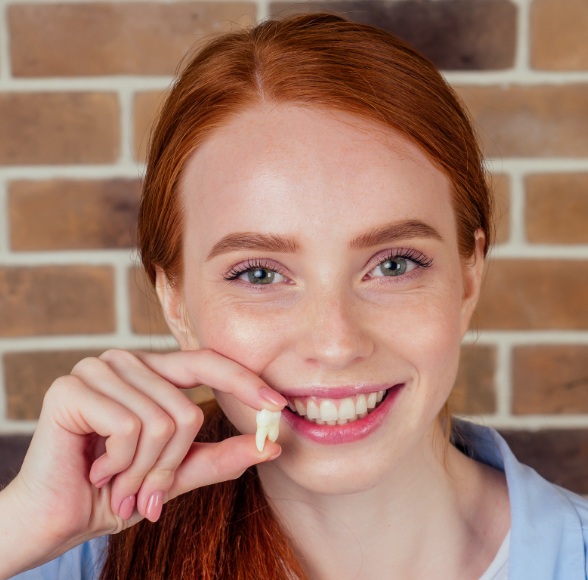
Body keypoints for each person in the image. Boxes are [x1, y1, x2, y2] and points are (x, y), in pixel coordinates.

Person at [1, 12, 587, 580]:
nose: (335, 344)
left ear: (468, 278)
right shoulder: (66, 557)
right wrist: (21, 527)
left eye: (394, 264)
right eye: (259, 274)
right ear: (175, 300)